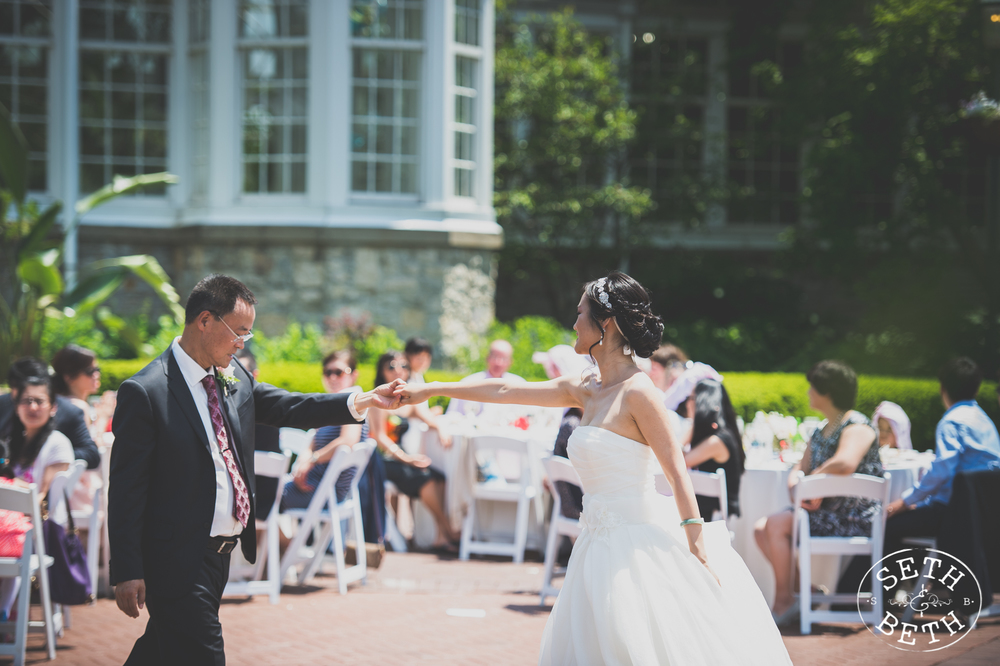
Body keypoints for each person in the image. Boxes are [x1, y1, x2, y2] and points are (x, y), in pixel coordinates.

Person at [398, 271, 791, 664]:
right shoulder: (587, 385)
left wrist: (697, 546)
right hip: (594, 543)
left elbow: (676, 473)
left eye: (580, 313)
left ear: (606, 324)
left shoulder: (640, 393)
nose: (573, 323)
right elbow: (503, 391)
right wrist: (429, 389)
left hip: (637, 546)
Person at [109, 274, 404, 665]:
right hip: (175, 559)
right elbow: (126, 488)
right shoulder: (146, 391)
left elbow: (292, 407)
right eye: (239, 332)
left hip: (219, 557)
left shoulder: (233, 378)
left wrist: (364, 401)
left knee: (159, 651)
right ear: (204, 320)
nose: (242, 344)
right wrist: (127, 569)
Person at [753, 360, 883, 624]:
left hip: (853, 518)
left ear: (827, 392)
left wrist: (810, 483)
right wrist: (796, 486)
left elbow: (845, 462)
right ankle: (807, 593)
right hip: (824, 515)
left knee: (776, 525)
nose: (808, 393)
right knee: (760, 529)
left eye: (812, 387)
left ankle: (784, 602)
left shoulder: (857, 425)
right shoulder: (821, 430)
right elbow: (799, 467)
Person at [883, 358, 1000, 555]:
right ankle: (928, 580)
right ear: (977, 390)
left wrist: (904, 502)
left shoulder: (951, 422)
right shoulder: (984, 420)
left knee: (889, 525)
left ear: (942, 389)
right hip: (986, 512)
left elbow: (943, 470)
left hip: (955, 513)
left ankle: (881, 586)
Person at [280, 350, 385, 545]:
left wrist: (310, 460)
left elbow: (347, 442)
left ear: (354, 375)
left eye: (339, 372)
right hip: (318, 486)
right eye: (328, 372)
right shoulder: (336, 404)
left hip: (324, 491)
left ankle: (281, 552)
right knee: (261, 493)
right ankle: (281, 552)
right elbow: (313, 438)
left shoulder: (353, 401)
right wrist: (304, 461)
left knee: (260, 495)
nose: (332, 377)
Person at [0, 373, 75, 616]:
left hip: (37, 529)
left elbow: (40, 498)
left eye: (39, 401)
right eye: (26, 401)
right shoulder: (12, 442)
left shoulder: (58, 444)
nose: (32, 407)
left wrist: (10, 485)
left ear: (53, 407)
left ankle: (4, 614)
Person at [369, 351, 458, 551]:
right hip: (382, 460)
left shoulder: (407, 401)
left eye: (403, 366)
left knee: (439, 477)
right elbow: (380, 438)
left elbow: (427, 417)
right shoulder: (377, 399)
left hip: (400, 459)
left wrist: (441, 427)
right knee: (425, 477)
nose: (398, 370)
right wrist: (407, 458)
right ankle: (448, 530)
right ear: (382, 371)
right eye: (391, 366)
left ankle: (440, 536)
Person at [0, 358, 100, 470]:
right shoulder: (3, 404)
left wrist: (51, 455)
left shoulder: (69, 413)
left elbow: (91, 455)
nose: (32, 407)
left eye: (38, 400)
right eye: (25, 398)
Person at [682, 379, 745, 521]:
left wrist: (692, 424)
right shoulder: (720, 435)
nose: (687, 403)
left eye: (691, 398)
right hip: (707, 514)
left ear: (703, 402)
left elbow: (677, 461)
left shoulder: (717, 441)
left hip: (714, 519)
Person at [234, 348, 281, 524]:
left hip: (254, 498)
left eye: (241, 372)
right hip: (263, 498)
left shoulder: (257, 408)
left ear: (254, 374)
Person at [446, 339, 523, 416]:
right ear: (487, 358)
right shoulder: (467, 383)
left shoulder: (519, 384)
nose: (498, 363)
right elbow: (452, 415)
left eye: (504, 358)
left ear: (510, 362)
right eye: (495, 357)